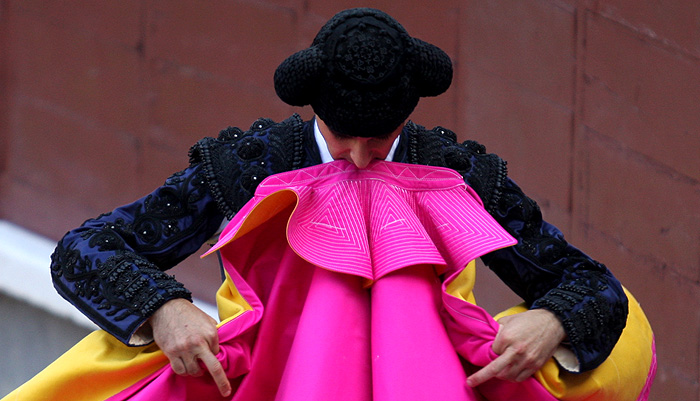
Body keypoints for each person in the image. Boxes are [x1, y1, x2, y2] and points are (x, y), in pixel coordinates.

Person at [48, 7, 629, 399]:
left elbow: (587, 280)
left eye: (379, 139)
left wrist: (552, 321)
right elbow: (85, 248)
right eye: (341, 134)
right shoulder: (251, 164)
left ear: (408, 114)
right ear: (313, 108)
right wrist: (165, 308)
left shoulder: (457, 173)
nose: (357, 158)